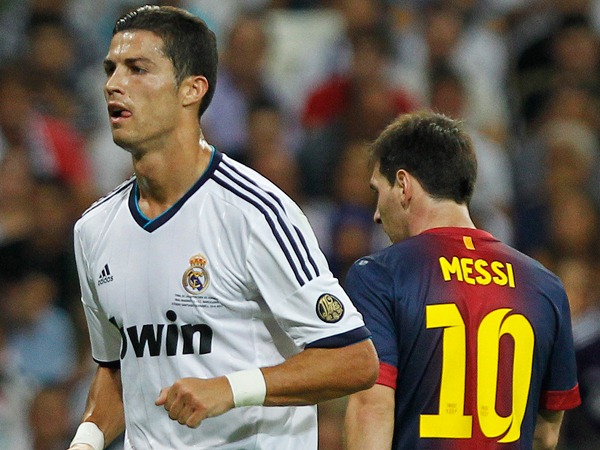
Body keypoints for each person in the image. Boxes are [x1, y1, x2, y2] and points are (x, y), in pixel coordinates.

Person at [68, 5, 378, 450]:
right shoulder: (94, 230)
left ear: (192, 90)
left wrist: (232, 389)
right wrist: (87, 440)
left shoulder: (255, 214)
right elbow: (117, 368)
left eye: (137, 69)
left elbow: (354, 359)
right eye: (110, 69)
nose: (113, 84)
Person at [343, 111, 581, 449]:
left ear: (403, 185)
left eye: (377, 191)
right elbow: (545, 431)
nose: (377, 214)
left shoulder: (379, 275)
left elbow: (372, 409)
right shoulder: (545, 286)